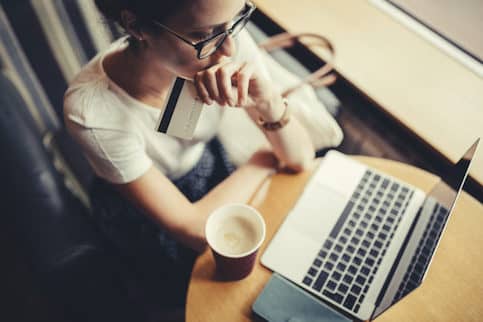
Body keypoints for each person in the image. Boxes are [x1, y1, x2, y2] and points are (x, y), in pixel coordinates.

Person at [64, 0, 342, 310]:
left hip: (209, 168)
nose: (229, 50)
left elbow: (300, 158)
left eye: (236, 21)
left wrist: (268, 102)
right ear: (136, 26)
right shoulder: (92, 114)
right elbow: (196, 231)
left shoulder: (225, 42)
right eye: (202, 35)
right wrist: (262, 159)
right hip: (146, 215)